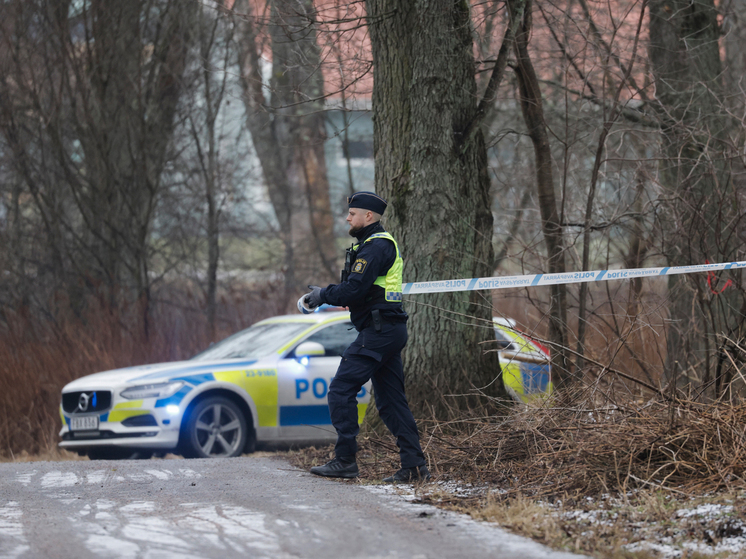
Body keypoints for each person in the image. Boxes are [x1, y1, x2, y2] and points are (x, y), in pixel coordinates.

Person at [303, 191, 430, 483]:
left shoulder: (376, 247)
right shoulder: (373, 245)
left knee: (340, 389)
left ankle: (345, 460)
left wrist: (322, 295)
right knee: (391, 402)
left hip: (380, 331)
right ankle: (414, 467)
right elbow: (359, 289)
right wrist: (326, 293)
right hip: (386, 329)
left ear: (368, 216)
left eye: (352, 214)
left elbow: (354, 290)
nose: (347, 218)